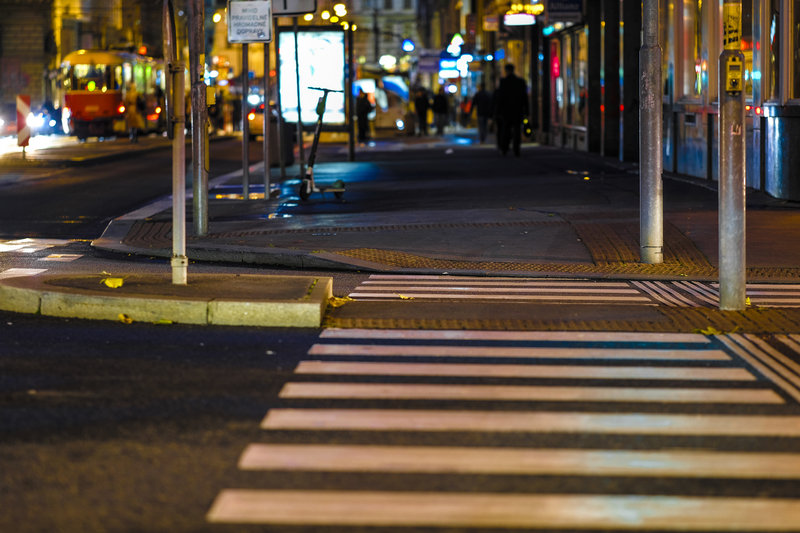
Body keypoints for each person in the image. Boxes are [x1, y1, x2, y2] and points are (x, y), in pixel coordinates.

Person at [494, 64, 529, 157]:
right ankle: (516, 149)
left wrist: (498, 112)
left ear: (506, 71)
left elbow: (500, 98)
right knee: (517, 129)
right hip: (518, 110)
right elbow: (524, 98)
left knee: (506, 129)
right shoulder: (520, 82)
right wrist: (527, 111)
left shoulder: (504, 82)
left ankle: (504, 148)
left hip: (506, 110)